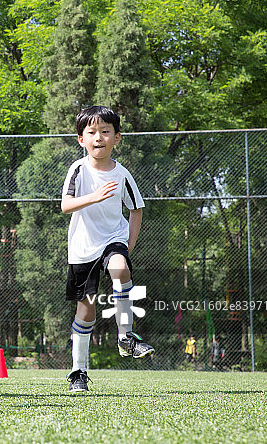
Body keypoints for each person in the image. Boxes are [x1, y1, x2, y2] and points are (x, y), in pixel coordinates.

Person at [61, 105, 154, 393]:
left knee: (120, 267)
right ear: (81, 139)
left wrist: (128, 244)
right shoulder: (77, 169)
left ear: (117, 138)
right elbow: (65, 205)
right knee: (86, 311)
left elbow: (136, 209)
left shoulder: (122, 174)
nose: (98, 137)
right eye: (91, 132)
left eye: (105, 131)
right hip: (82, 247)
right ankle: (79, 372)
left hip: (113, 239)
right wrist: (93, 196)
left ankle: (126, 338)